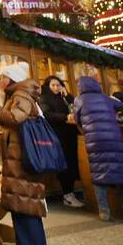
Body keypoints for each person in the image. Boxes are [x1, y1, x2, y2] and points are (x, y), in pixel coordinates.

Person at [0, 61, 48, 245]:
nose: (0, 81)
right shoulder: (19, 94)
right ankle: (32, 243)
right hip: (19, 153)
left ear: (11, 79)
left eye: (2, 77)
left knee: (23, 197)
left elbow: (15, 118)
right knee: (23, 196)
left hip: (20, 154)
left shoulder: (20, 95)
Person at [71, 73, 123, 222]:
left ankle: (104, 212)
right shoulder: (105, 97)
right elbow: (121, 105)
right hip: (114, 138)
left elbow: (77, 118)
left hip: (95, 141)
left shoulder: (79, 100)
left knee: (99, 176)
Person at [40, 76, 82, 208]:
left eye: (58, 85)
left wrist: (67, 94)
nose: (56, 88)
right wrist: (65, 117)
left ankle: (70, 193)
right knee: (65, 165)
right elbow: (47, 114)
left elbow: (77, 105)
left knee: (72, 163)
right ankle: (67, 195)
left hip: (70, 134)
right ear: (47, 86)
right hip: (58, 135)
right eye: (53, 85)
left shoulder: (63, 97)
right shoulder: (45, 98)